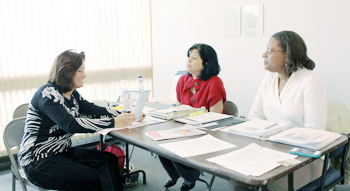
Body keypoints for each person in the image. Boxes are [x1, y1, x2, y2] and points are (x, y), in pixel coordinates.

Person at [18, 50, 145, 191]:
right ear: (67, 72)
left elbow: (94, 110)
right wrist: (114, 122)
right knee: (93, 178)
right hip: (38, 161)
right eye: (80, 71)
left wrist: (128, 114)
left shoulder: (72, 95)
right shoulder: (48, 94)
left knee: (109, 160)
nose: (84, 75)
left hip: (61, 152)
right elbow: (70, 125)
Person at [244, 31, 327, 191]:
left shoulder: (310, 80)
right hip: (269, 151)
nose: (263, 54)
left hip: (305, 159)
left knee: (274, 184)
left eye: (269, 50)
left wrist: (274, 138)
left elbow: (314, 133)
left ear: (287, 54)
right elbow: (254, 115)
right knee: (238, 178)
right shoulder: (269, 79)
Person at [159, 43, 226, 191]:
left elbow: (216, 118)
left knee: (175, 145)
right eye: (188, 57)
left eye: (194, 58)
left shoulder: (214, 82)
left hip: (207, 132)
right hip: (184, 129)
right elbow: (178, 108)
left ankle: (190, 178)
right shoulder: (182, 80)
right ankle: (175, 174)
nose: (188, 61)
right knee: (160, 143)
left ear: (206, 63)